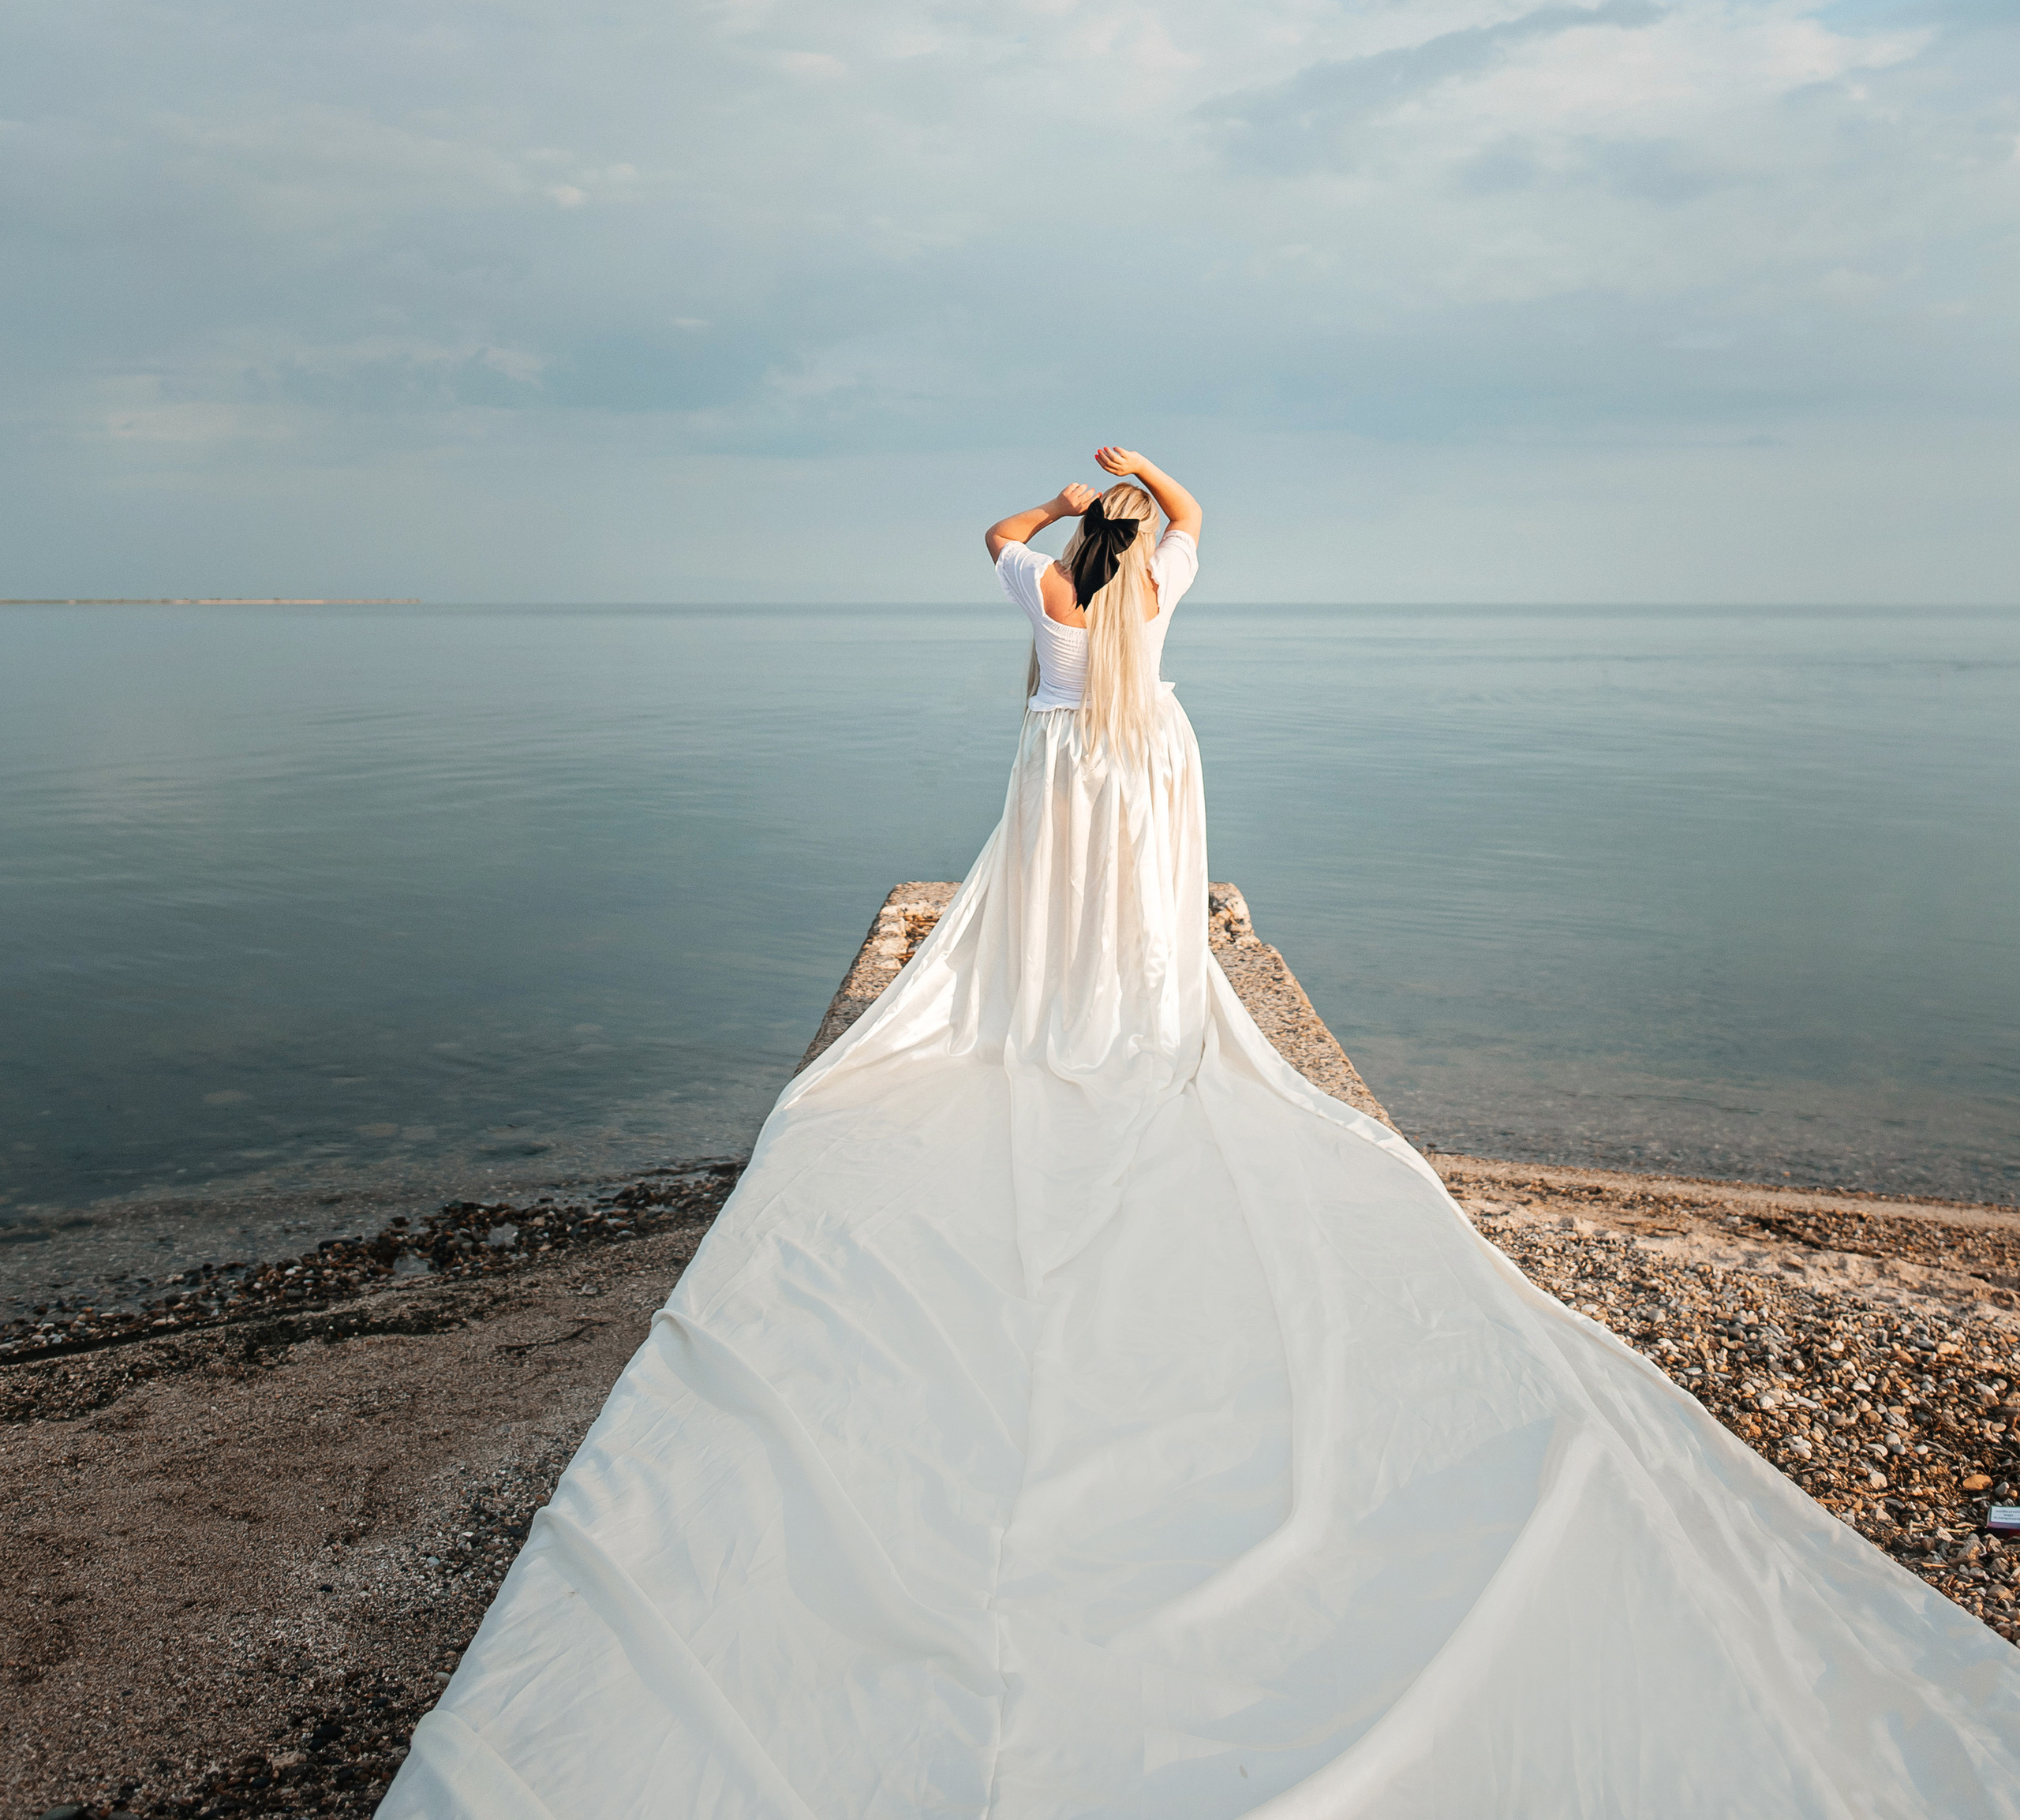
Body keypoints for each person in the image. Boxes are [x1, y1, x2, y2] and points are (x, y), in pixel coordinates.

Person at [383, 453, 2020, 1818]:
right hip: (1140, 767)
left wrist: (1044, 503)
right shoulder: (1154, 594)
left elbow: (989, 540)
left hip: (1056, 772)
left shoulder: (1043, 595)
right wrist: (1126, 473)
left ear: (1075, 551)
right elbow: (1197, 510)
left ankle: (1062, 1023)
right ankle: (1127, 1025)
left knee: (1045, 940)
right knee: (1149, 944)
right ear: (1139, 547)